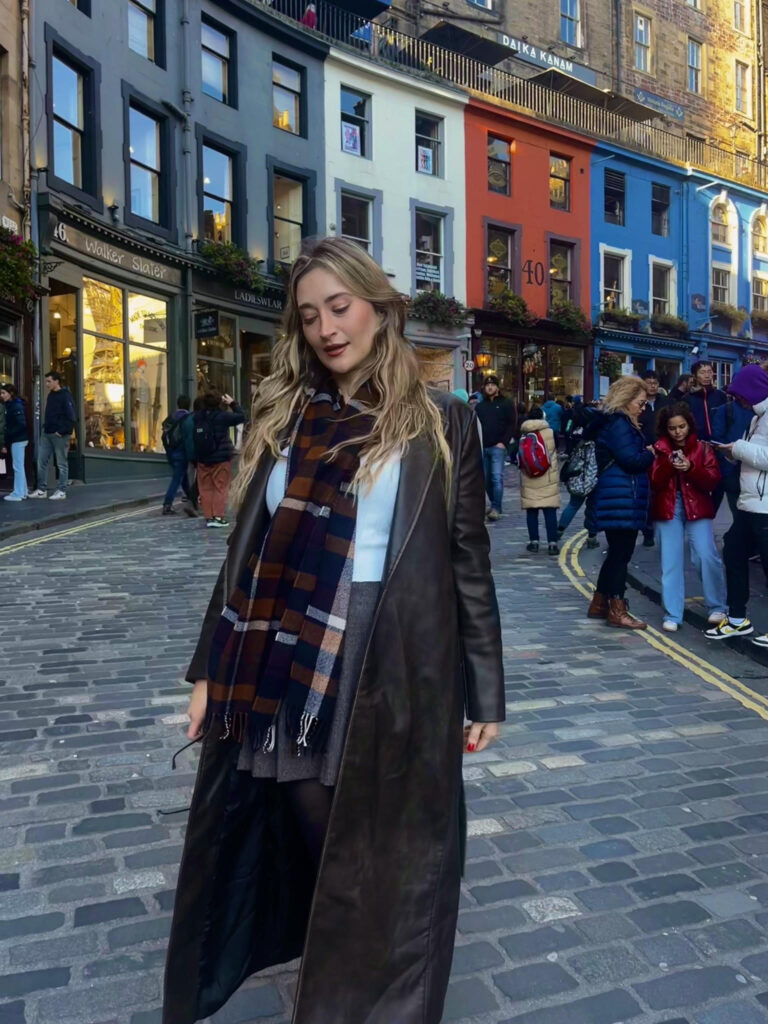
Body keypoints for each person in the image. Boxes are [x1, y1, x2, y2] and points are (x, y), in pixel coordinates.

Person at [163, 237, 505, 1024]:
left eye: (340, 307)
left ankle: (359, 996)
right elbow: (245, 555)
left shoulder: (446, 422)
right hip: (280, 651)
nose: (325, 328)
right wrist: (211, 670)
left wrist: (486, 688)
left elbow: (468, 565)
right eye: (310, 315)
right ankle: (336, 971)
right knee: (310, 824)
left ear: (381, 310)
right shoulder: (289, 413)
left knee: (372, 844)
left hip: (388, 656)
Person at [585, 376, 655, 629]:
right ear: (626, 400)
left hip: (619, 498)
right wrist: (651, 453)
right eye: (640, 402)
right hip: (620, 498)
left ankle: (600, 603)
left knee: (616, 553)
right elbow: (632, 460)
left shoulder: (617, 423)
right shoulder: (620, 424)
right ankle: (617, 609)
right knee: (621, 555)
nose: (643, 408)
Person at [650, 404, 727, 632]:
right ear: (666, 428)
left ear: (689, 424)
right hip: (668, 506)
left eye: (681, 426)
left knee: (706, 556)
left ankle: (717, 607)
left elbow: (713, 480)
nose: (677, 432)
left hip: (697, 506)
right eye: (672, 428)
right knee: (670, 562)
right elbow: (654, 481)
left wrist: (690, 467)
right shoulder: (658, 449)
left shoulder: (703, 448)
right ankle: (673, 613)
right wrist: (669, 465)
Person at [706, 364, 768, 644]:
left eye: (740, 393)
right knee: (733, 553)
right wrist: (731, 453)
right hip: (749, 503)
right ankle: (737, 619)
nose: (737, 399)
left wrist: (738, 448)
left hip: (765, 506)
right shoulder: (757, 418)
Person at [192, 389, 245, 528]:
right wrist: (232, 403)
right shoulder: (223, 416)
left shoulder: (198, 417)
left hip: (203, 457)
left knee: (205, 488)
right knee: (220, 486)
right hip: (221, 458)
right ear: (219, 402)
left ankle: (209, 517)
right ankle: (218, 516)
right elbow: (241, 416)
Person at [28, 370, 76, 500]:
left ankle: (61, 490)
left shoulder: (65, 396)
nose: (47, 384)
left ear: (56, 381)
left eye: (49, 381)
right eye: (46, 381)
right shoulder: (50, 395)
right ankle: (41, 490)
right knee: (41, 461)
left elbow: (72, 417)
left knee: (61, 463)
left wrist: (61, 431)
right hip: (47, 434)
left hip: (59, 435)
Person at [519, 405, 560, 554]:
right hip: (548, 476)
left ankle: (534, 542)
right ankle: (552, 544)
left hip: (529, 477)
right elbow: (556, 448)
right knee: (550, 511)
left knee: (532, 511)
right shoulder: (551, 432)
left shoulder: (524, 434)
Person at [475, 374, 516, 521]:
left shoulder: (506, 403)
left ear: (497, 387)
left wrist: (503, 442)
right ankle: (494, 503)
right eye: (487, 385)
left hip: (498, 447)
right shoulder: (480, 406)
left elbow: (512, 424)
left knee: (496, 477)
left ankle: (496, 508)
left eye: (492, 385)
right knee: (486, 479)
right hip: (483, 447)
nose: (490, 387)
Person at [638, 371, 670, 546]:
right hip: (644, 452)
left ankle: (662, 526)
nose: (652, 386)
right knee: (647, 493)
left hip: (663, 452)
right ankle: (648, 530)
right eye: (649, 382)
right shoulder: (637, 403)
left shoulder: (665, 403)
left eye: (655, 383)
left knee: (662, 492)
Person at [711, 397, 754, 518]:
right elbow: (717, 440)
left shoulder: (761, 411)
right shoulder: (726, 410)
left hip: (755, 471)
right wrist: (728, 460)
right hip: (732, 470)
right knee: (738, 513)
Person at [161, 395, 196, 516]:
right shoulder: (188, 418)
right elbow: (189, 438)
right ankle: (167, 504)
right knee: (177, 479)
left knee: (183, 477)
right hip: (181, 452)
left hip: (171, 452)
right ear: (189, 404)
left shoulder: (170, 417)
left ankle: (193, 501)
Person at [0, 384, 29, 501]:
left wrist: (9, 433)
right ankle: (24, 491)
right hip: (18, 439)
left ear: (10, 393)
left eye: (3, 393)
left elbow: (21, 424)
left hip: (18, 440)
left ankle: (18, 493)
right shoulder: (10, 405)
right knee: (19, 466)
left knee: (17, 467)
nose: (1, 396)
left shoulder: (16, 406)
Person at [686, 360, 727, 442]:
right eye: (702, 372)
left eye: (710, 372)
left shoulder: (720, 396)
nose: (707, 376)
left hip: (719, 443)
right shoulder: (687, 399)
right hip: (696, 443)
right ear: (694, 376)